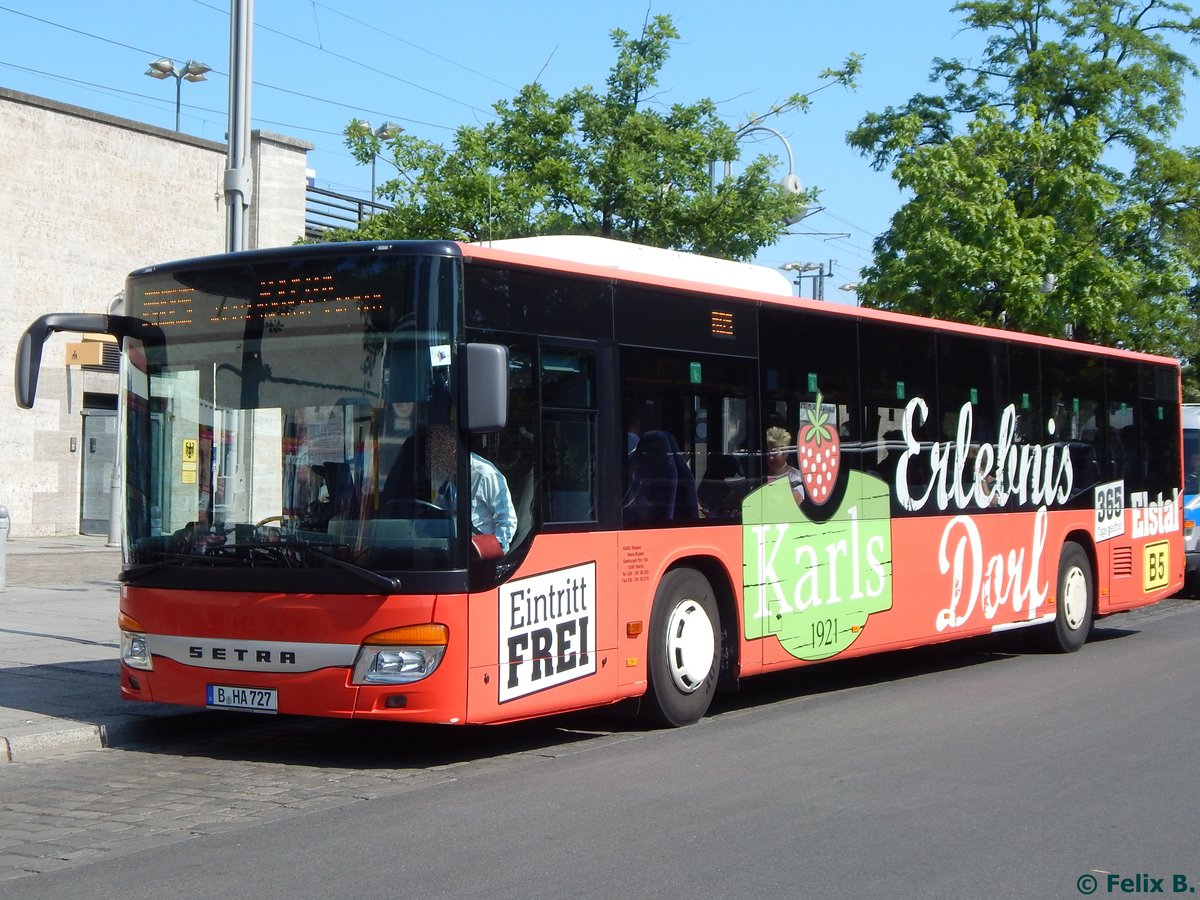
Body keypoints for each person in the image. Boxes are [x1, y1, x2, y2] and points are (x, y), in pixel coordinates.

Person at [765, 426, 805, 505]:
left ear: (785, 453)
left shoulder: (795, 477)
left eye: (774, 453)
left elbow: (792, 505)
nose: (770, 457)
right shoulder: (760, 474)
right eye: (768, 452)